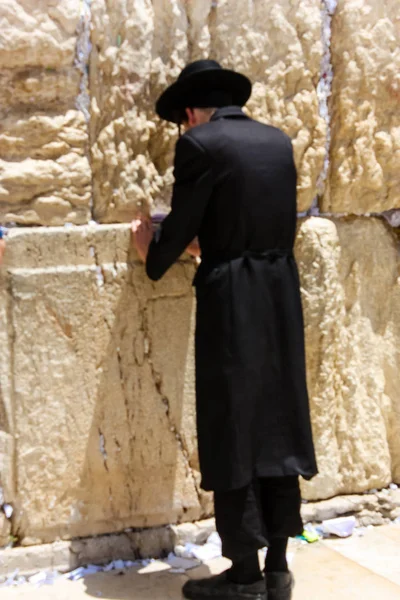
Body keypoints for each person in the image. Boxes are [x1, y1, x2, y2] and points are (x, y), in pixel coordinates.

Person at [132, 60, 317, 600]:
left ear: (191, 112)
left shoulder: (201, 146)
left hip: (231, 299)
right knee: (277, 421)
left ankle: (243, 576)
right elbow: (250, 215)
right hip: (279, 292)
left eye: (182, 122)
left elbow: (183, 224)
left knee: (232, 424)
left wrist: (153, 252)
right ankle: (278, 569)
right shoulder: (277, 142)